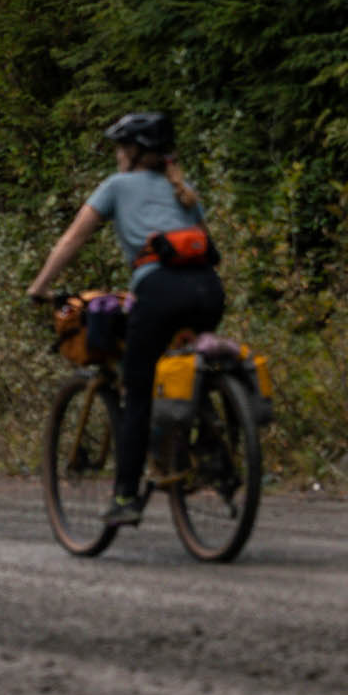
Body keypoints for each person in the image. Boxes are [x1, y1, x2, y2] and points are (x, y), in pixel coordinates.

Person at [24, 110, 224, 529]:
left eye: (119, 148)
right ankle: (212, 452)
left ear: (133, 152)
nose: (117, 156)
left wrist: (40, 286)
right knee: (189, 369)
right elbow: (206, 245)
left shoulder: (117, 186)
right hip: (208, 291)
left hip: (158, 293)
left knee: (138, 390)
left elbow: (73, 238)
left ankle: (127, 496)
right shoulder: (185, 189)